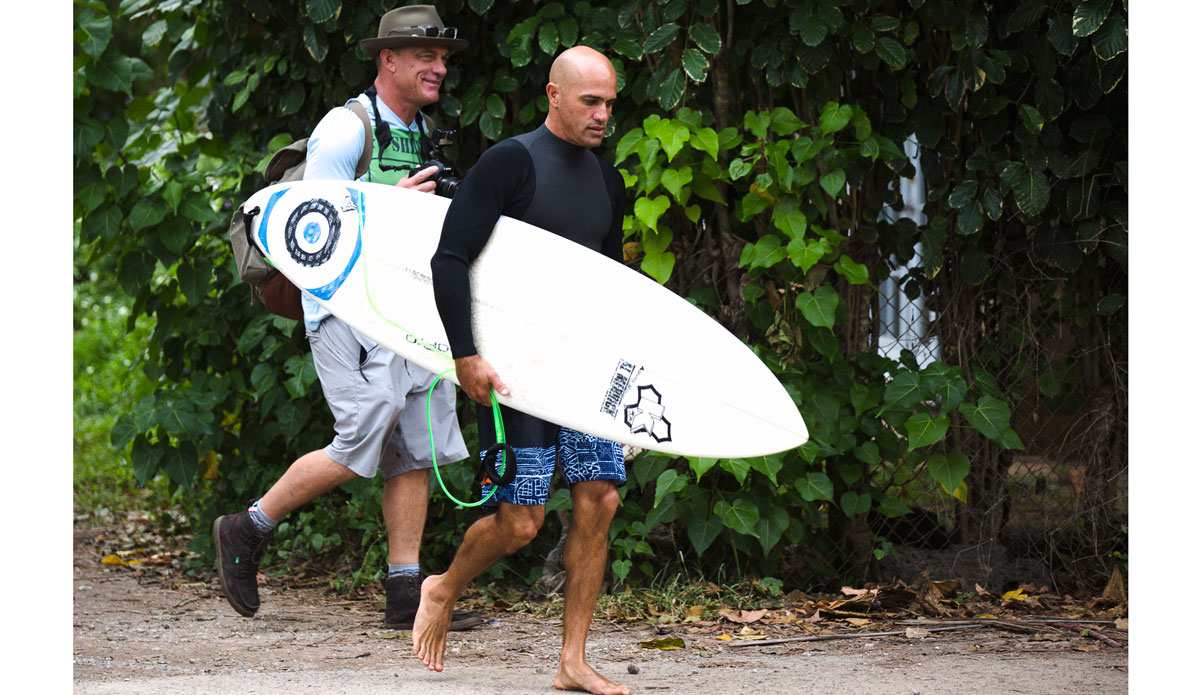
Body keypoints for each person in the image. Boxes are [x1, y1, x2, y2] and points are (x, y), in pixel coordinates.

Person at [213, 5, 480, 633]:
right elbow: (315, 226)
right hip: (347, 309)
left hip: (409, 308)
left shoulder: (424, 131)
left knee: (416, 446)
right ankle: (247, 527)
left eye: (443, 59)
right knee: (361, 433)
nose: (439, 68)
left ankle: (405, 591)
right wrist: (390, 204)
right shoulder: (344, 128)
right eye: (426, 57)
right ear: (388, 59)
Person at [418, 46, 631, 695]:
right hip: (513, 368)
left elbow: (612, 287)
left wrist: (622, 383)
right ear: (554, 95)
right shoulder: (511, 163)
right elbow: (449, 258)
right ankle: (443, 585)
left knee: (601, 496)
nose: (602, 114)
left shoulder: (607, 180)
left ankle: (572, 660)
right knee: (522, 521)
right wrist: (466, 355)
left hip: (580, 367)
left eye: (609, 103)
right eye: (590, 101)